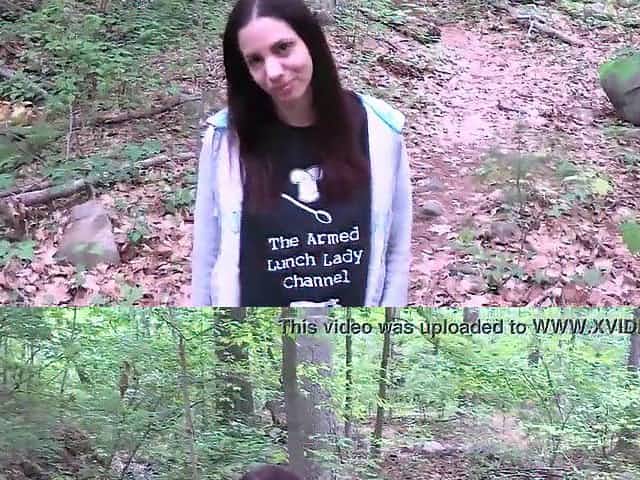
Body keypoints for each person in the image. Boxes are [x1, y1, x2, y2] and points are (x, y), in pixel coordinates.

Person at [190, 0, 412, 307]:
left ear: (310, 42)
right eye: (255, 60)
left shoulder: (379, 130)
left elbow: (397, 250)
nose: (273, 71)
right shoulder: (224, 141)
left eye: (283, 48)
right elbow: (206, 255)